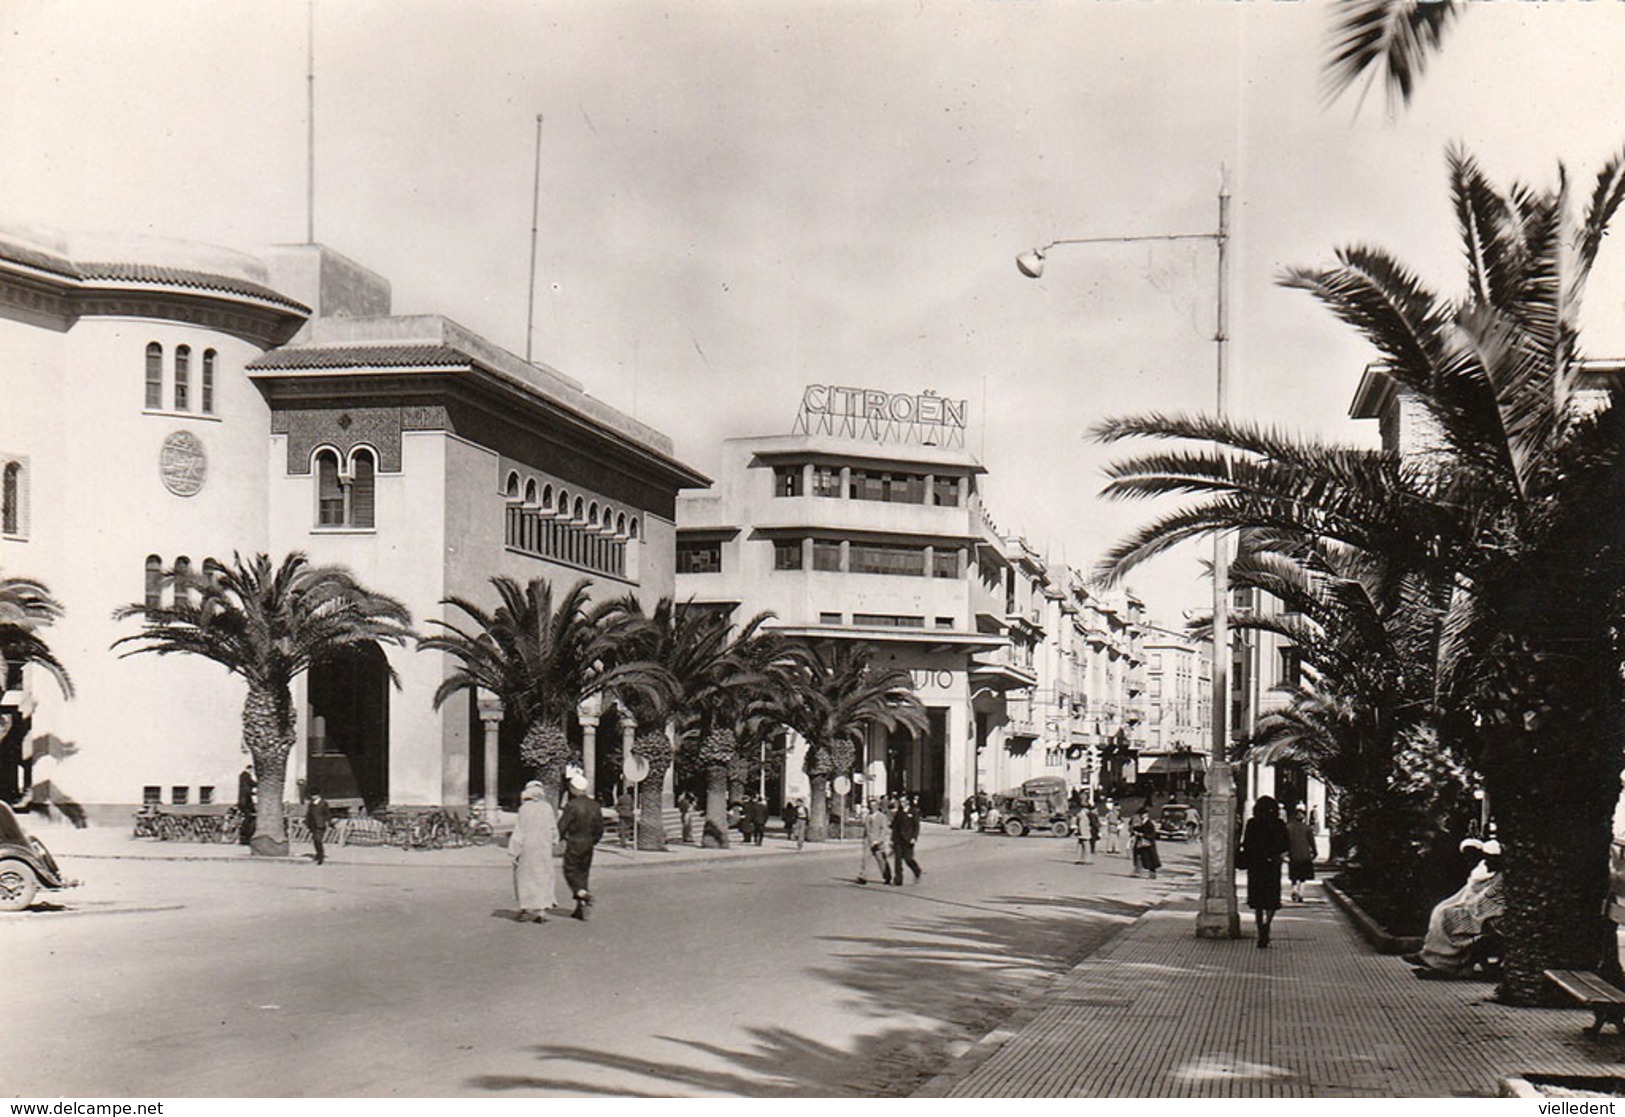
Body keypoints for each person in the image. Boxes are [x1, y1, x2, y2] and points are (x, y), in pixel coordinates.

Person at [1410, 839, 1505, 978]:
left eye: (1491, 859)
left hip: (1490, 916)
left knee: (1448, 917)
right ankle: (1434, 956)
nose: (1487, 862)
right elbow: (1471, 895)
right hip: (1476, 910)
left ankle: (1445, 962)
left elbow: (1490, 902)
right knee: (1441, 912)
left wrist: (1468, 909)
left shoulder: (1500, 878)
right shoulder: (1484, 872)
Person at [1240, 795, 1290, 947]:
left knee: (1257, 901)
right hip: (1272, 866)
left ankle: (1260, 927)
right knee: (1271, 899)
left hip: (1256, 865)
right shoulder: (1279, 824)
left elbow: (1246, 843)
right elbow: (1285, 845)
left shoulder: (1252, 823)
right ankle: (1268, 923)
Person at [508, 780, 558, 923]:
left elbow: (519, 831)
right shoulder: (547, 808)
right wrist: (552, 841)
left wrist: (514, 851)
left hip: (527, 849)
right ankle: (541, 911)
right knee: (543, 877)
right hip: (543, 849)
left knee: (525, 878)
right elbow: (553, 829)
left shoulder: (524, 809)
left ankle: (525, 909)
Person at [558, 774, 605, 921]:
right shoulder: (595, 805)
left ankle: (581, 893)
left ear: (574, 789)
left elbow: (562, 825)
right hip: (588, 843)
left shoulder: (572, 805)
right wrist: (593, 841)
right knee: (583, 873)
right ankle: (581, 909)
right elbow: (600, 828)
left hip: (574, 842)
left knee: (570, 870)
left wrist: (557, 838)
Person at [1285, 805, 1317, 902]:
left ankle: (1294, 889)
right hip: (1305, 854)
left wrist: (1285, 853)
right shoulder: (1307, 828)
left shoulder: (1288, 827)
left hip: (1293, 853)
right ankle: (1301, 893)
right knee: (1303, 876)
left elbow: (1285, 841)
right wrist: (1315, 852)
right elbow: (1312, 842)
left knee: (1294, 875)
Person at [858, 798, 892, 885]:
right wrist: (865, 840)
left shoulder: (882, 817)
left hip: (878, 843)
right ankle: (863, 876)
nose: (872, 807)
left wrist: (879, 840)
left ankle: (887, 876)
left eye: (874, 806)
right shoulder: (867, 817)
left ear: (877, 806)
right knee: (865, 859)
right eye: (870, 806)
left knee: (881, 860)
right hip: (868, 842)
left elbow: (884, 830)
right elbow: (866, 830)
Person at [892, 796, 923, 884]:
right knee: (897, 860)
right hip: (898, 840)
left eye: (903, 801)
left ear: (907, 802)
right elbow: (895, 826)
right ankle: (898, 879)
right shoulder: (899, 812)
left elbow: (916, 826)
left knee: (908, 858)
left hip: (908, 840)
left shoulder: (913, 812)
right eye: (900, 802)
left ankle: (917, 870)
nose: (902, 803)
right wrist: (892, 839)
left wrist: (914, 838)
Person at [1131, 805, 1161, 879]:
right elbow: (1139, 829)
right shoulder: (1144, 823)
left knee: (1150, 859)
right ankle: (1138, 871)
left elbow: (1152, 834)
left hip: (1148, 844)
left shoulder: (1149, 823)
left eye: (1142, 815)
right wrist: (1135, 830)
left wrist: (1143, 835)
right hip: (1143, 844)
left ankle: (1152, 874)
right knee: (1140, 857)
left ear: (1146, 815)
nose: (1141, 816)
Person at [305, 792, 330, 866]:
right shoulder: (311, 804)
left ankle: (321, 856)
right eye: (312, 795)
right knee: (315, 840)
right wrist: (307, 822)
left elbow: (327, 813)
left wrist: (328, 822)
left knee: (318, 840)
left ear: (318, 795)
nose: (313, 797)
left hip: (320, 824)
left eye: (315, 795)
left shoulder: (323, 803)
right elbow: (308, 814)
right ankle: (318, 854)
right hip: (313, 824)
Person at [237, 764, 257, 847]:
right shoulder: (246, 776)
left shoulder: (243, 776)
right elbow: (250, 785)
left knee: (248, 817)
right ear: (250, 769)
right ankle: (245, 836)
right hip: (246, 802)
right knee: (249, 818)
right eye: (252, 770)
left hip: (243, 801)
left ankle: (245, 836)